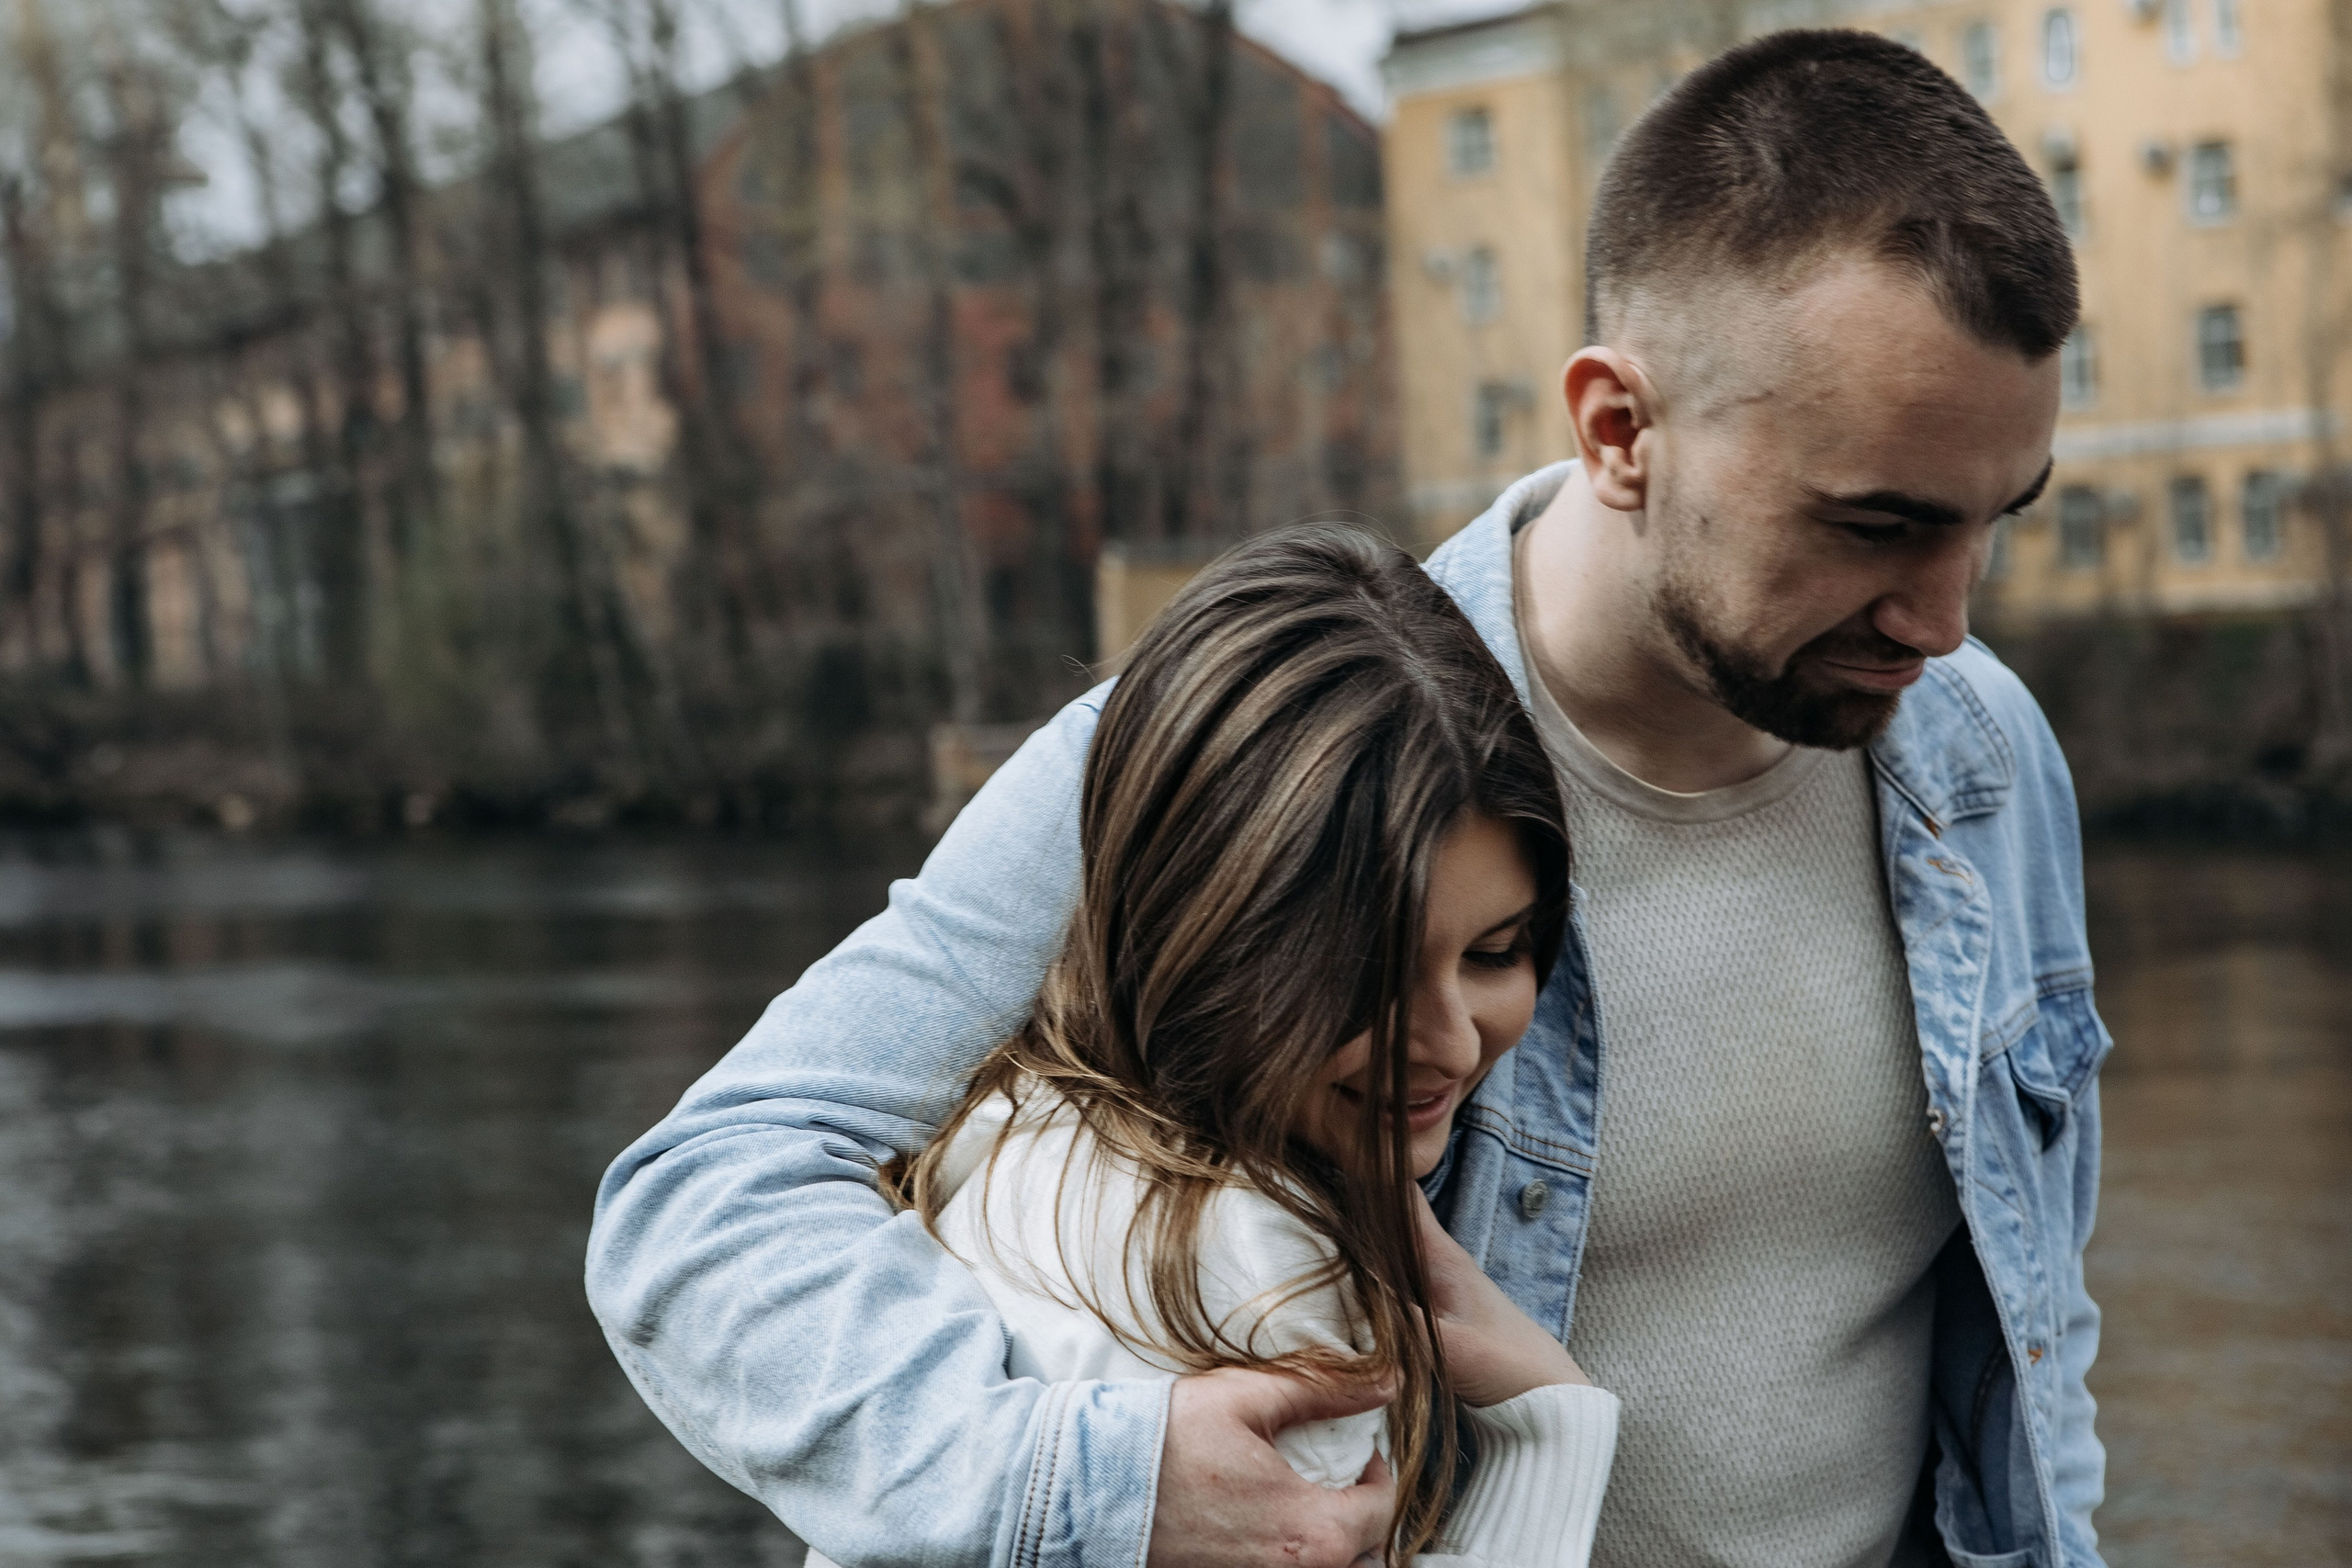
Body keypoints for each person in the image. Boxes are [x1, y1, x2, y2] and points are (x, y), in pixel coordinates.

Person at [588, 28, 2112, 1568]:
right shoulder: (1261, 750)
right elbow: (704, 1210)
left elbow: (2034, 1339)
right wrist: (1094, 1486)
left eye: (1993, 522)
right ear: (1617, 428)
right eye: (1877, 526)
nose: (1944, 615)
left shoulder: (1982, 755)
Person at [800, 526, 1619, 1568]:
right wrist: (1552, 1423)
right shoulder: (1251, 1271)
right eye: (1369, 974)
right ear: (1208, 929)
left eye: (1496, 953)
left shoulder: (1001, 1136)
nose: (1453, 1043)